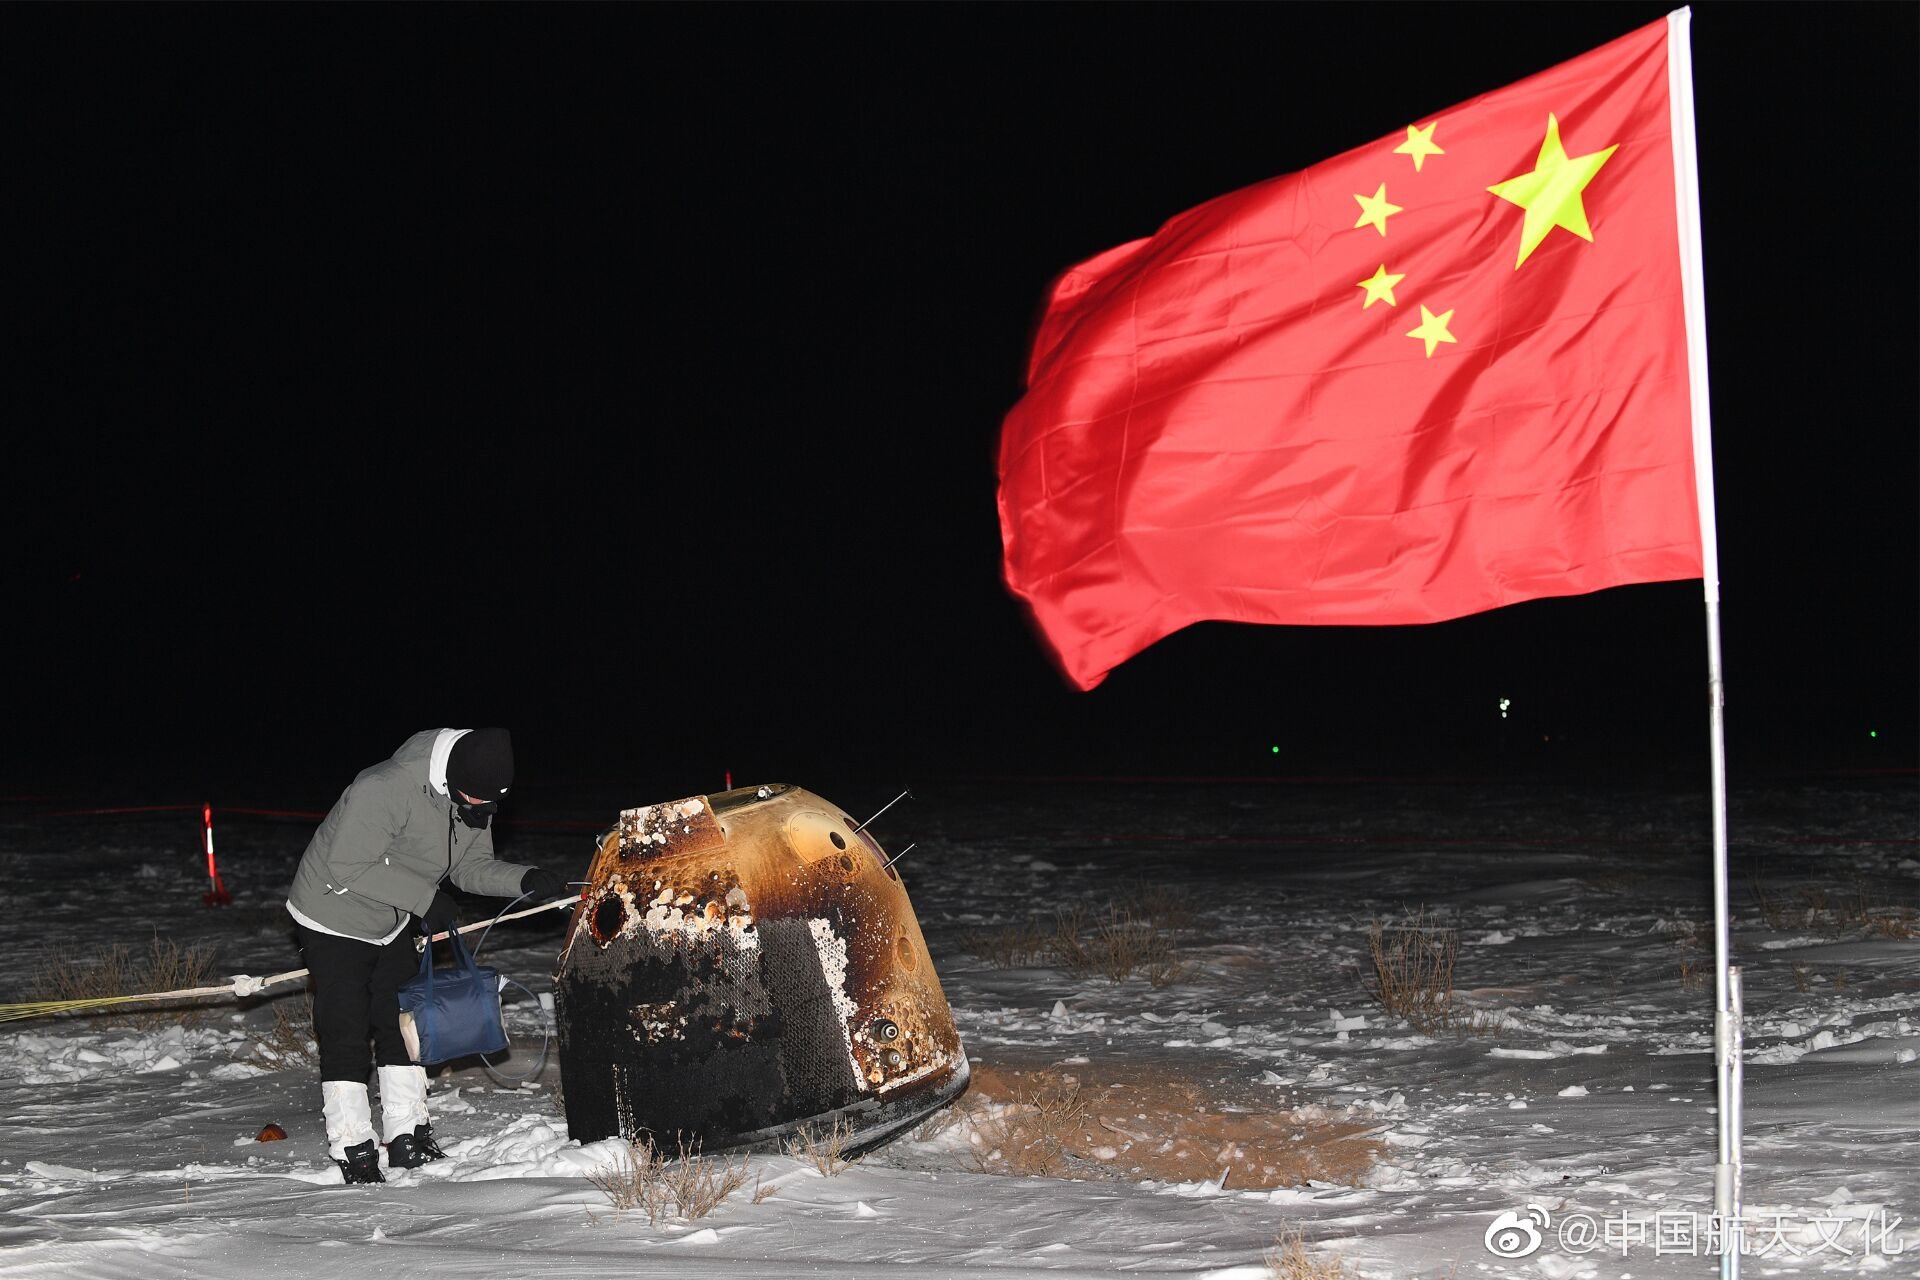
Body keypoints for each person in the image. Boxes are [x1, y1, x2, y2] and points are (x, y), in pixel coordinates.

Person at [285, 727, 569, 1183]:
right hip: (332, 913)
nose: (482, 811)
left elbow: (470, 867)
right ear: (451, 779)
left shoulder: (473, 793)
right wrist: (424, 899)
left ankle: (407, 1132)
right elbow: (349, 865)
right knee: (347, 1026)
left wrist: (524, 879)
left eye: (490, 805)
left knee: (403, 1020)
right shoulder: (385, 787)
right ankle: (353, 1142)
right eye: (474, 801)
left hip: (395, 915)